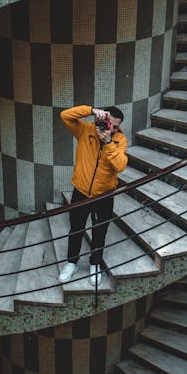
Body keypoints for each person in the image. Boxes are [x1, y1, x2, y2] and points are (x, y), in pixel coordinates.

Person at [58, 105, 128, 287]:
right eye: (108, 123)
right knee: (76, 229)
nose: (111, 129)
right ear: (101, 119)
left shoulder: (119, 140)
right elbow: (65, 115)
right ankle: (71, 263)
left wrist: (107, 143)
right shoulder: (85, 130)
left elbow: (120, 165)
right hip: (80, 192)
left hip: (104, 196)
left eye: (115, 126)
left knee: (100, 232)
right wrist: (90, 110)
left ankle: (95, 264)